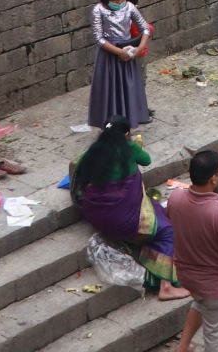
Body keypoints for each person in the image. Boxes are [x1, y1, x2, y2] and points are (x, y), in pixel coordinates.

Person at [69, 117, 184, 299]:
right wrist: (134, 145)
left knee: (156, 209)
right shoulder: (130, 149)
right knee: (166, 230)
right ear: (127, 134)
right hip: (122, 221)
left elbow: (75, 167)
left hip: (95, 215)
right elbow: (146, 160)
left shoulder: (92, 151)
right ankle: (166, 287)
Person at [169, 149, 218, 352]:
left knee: (201, 304)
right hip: (214, 286)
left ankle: (183, 347)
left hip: (187, 276)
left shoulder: (175, 198)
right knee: (216, 341)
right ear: (213, 179)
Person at [86, 0, 151, 127]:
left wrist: (139, 48)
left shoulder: (129, 7)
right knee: (109, 89)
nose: (120, 1)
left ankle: (130, 118)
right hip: (109, 55)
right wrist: (118, 52)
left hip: (128, 51)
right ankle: (109, 123)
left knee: (129, 86)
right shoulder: (98, 10)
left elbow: (145, 28)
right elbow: (99, 38)